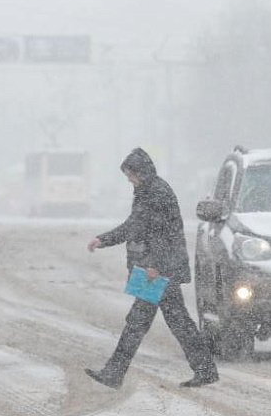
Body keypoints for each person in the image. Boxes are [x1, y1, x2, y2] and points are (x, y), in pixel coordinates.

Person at [85, 148, 218, 389]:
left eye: (130, 175)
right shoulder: (147, 191)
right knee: (176, 321)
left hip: (158, 271)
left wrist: (156, 266)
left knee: (138, 323)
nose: (129, 180)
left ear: (140, 172)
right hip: (160, 269)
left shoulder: (156, 193)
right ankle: (205, 369)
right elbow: (134, 226)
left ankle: (114, 373)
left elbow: (162, 234)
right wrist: (103, 239)